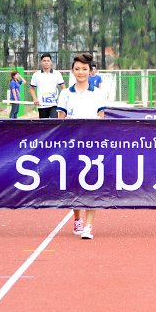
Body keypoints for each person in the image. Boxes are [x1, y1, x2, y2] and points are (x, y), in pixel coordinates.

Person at [57, 52, 107, 239]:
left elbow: (102, 119)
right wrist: (68, 121)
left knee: (92, 183)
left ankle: (88, 226)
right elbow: (59, 120)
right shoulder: (65, 94)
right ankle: (77, 217)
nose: (81, 72)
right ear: (72, 71)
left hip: (92, 145)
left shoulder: (98, 93)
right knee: (74, 185)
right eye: (77, 69)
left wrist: (93, 123)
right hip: (71, 145)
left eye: (84, 69)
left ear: (90, 70)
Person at [29, 53, 65, 118]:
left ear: (51, 62)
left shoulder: (57, 74)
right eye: (44, 61)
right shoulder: (36, 75)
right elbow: (32, 89)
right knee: (43, 124)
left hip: (54, 104)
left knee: (54, 123)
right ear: (41, 62)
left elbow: (63, 87)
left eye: (48, 61)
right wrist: (35, 99)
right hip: (42, 104)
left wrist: (61, 99)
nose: (46, 62)